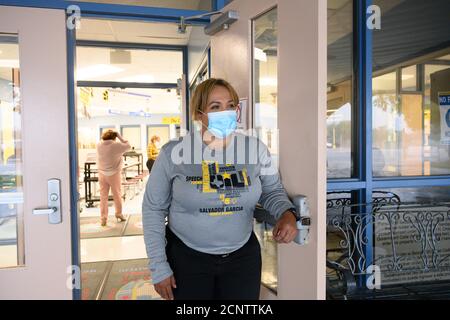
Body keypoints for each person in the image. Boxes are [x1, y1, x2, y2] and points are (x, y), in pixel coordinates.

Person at [142, 78, 299, 300]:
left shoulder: (255, 149)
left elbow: (272, 191)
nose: (225, 112)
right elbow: (153, 210)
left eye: (230, 105)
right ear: (198, 114)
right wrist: (159, 266)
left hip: (242, 258)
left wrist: (287, 213)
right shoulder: (173, 153)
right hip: (187, 258)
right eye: (215, 106)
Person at [96, 130, 130, 226]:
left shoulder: (99, 144)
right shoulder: (115, 145)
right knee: (117, 194)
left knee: (103, 197)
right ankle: (118, 214)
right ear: (114, 137)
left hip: (101, 174)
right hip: (113, 174)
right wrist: (119, 136)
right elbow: (128, 145)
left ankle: (103, 218)